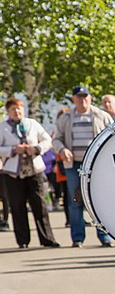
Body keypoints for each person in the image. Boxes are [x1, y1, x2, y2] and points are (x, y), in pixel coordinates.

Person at [52, 85, 114, 248]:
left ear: (90, 97)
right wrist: (62, 149)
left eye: (85, 96)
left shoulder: (102, 116)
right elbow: (56, 139)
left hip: (97, 165)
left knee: (100, 200)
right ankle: (77, 237)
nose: (82, 99)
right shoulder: (65, 118)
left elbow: (113, 137)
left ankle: (105, 236)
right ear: (74, 99)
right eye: (79, 96)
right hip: (73, 165)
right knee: (75, 200)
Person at [0, 98, 59, 248]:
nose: (17, 111)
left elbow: (47, 140)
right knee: (18, 206)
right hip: (13, 173)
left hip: (34, 170)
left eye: (19, 108)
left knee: (40, 205)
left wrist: (37, 149)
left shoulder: (32, 124)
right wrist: (12, 150)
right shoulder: (3, 128)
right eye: (13, 109)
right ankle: (23, 240)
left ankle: (47, 238)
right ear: (8, 111)